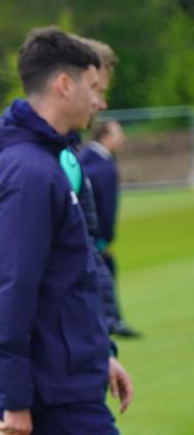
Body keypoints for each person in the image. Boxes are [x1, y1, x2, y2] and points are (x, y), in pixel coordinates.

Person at [0, 27, 144, 435]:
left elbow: (65, 283)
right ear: (64, 85)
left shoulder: (47, 163)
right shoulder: (29, 172)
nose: (102, 99)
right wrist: (13, 395)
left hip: (61, 373)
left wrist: (100, 352)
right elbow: (11, 290)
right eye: (95, 86)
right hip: (53, 388)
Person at [80, 119, 139, 338]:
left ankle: (112, 319)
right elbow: (104, 208)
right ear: (104, 137)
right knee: (104, 270)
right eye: (117, 133)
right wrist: (104, 239)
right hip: (94, 235)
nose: (121, 138)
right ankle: (112, 321)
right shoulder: (104, 166)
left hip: (82, 232)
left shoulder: (82, 158)